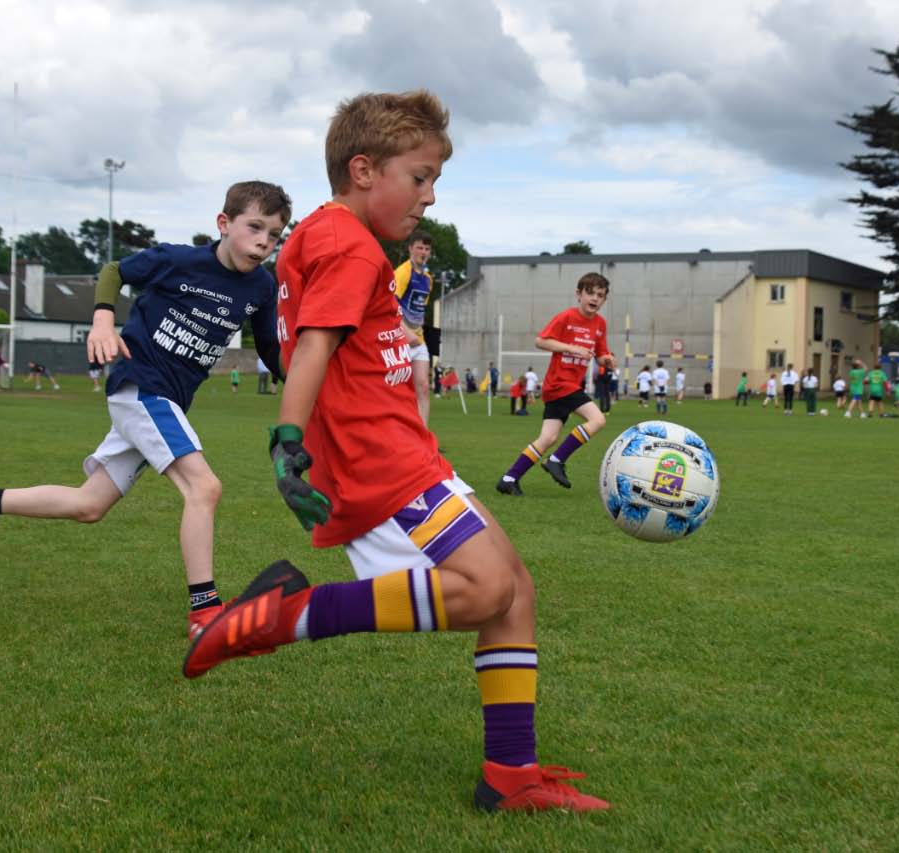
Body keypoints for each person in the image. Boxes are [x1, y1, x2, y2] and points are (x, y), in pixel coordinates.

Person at [182, 92, 607, 813]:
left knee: (514, 590)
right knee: (482, 590)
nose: (429, 197)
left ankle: (511, 773)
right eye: (419, 177)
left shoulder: (325, 235)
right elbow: (314, 342)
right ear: (363, 169)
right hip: (378, 461)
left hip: (407, 450)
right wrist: (287, 442)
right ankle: (282, 616)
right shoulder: (346, 242)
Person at [0, 180, 290, 642]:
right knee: (204, 487)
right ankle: (205, 613)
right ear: (224, 224)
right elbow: (113, 271)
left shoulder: (262, 287)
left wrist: (310, 376)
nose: (264, 242)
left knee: (89, 505)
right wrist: (104, 318)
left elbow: (270, 348)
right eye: (255, 227)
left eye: (274, 234)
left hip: (161, 402)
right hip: (142, 389)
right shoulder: (178, 261)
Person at [498, 272, 615, 498]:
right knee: (598, 419)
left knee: (548, 438)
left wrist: (606, 359)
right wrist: (571, 348)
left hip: (565, 388)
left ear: (604, 300)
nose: (595, 298)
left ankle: (509, 479)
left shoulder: (600, 324)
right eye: (590, 293)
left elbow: (600, 354)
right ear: (578, 294)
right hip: (560, 384)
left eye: (600, 295)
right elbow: (540, 341)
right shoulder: (566, 317)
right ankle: (557, 460)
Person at [393, 230, 435, 426]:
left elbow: (419, 311)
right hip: (398, 339)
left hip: (419, 340)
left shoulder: (428, 279)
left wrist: (417, 335)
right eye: (419, 247)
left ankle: (423, 436)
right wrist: (406, 332)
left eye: (427, 249)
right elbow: (388, 305)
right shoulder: (402, 273)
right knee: (397, 389)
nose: (423, 252)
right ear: (410, 248)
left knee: (424, 386)